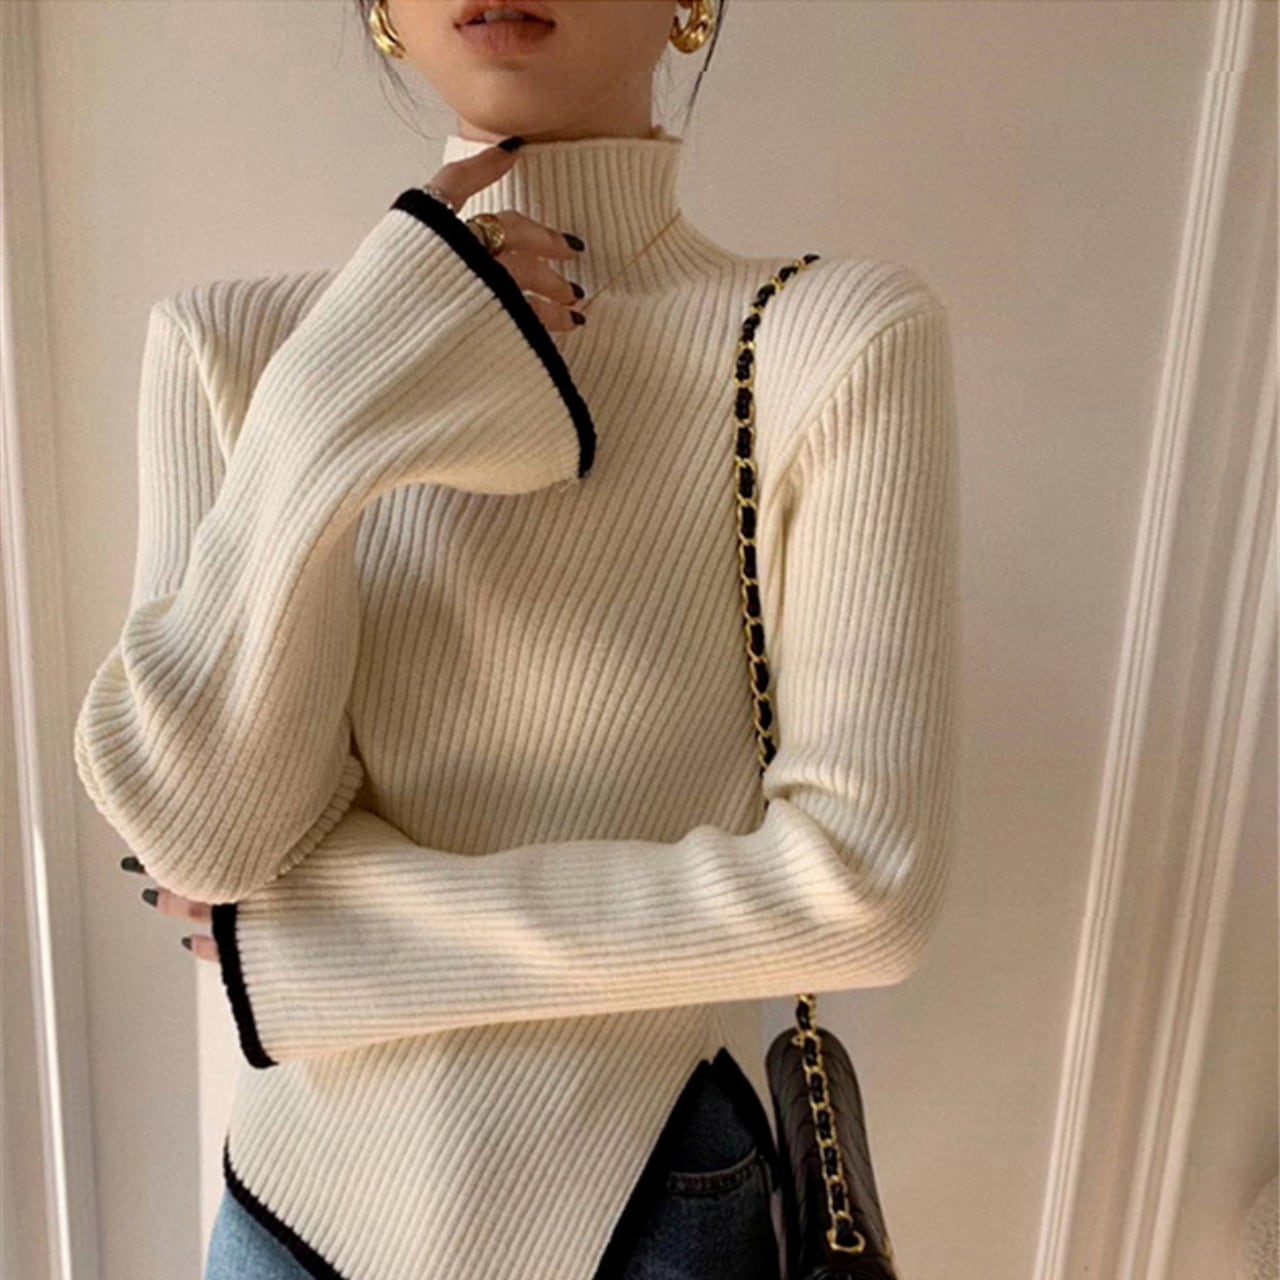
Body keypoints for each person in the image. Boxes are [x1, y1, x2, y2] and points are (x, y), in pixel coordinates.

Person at [74, 1, 961, 1277]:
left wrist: (322, 941)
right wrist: (325, 405)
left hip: (651, 1198)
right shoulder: (236, 346)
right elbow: (203, 835)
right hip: (290, 1215)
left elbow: (861, 891)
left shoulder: (825, 339)